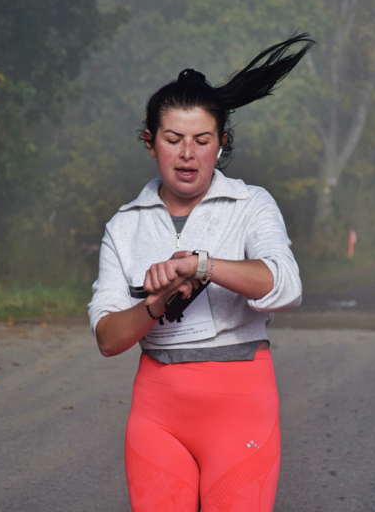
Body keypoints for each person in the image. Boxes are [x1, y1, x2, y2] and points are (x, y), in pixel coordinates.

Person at [88, 32, 313, 512]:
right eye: (173, 139)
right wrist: (156, 303)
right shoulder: (124, 226)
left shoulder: (251, 205)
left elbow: (286, 286)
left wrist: (202, 265)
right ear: (151, 143)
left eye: (201, 140)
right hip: (157, 415)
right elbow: (108, 339)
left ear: (221, 143)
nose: (187, 153)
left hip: (242, 409)